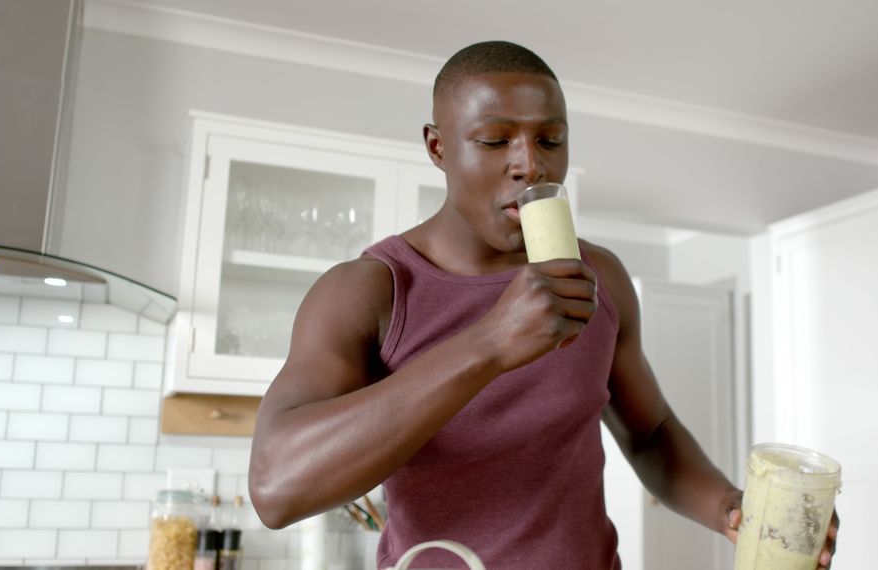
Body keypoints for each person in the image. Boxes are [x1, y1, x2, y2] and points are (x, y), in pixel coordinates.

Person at [248, 41, 839, 569]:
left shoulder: (598, 274)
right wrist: (489, 344)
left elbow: (650, 432)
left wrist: (730, 509)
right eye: (494, 140)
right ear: (437, 147)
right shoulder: (370, 289)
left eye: (550, 140)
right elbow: (277, 489)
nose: (530, 164)